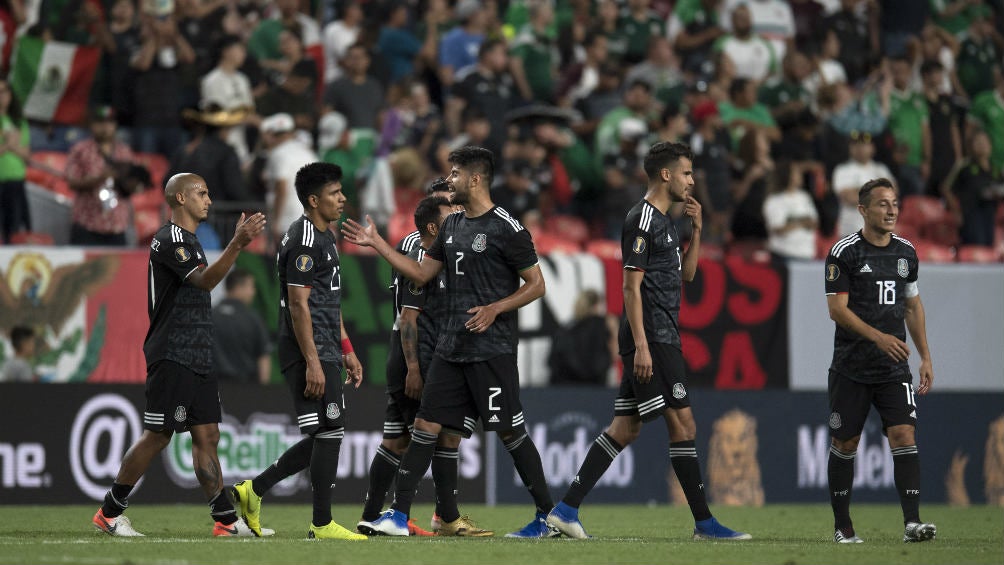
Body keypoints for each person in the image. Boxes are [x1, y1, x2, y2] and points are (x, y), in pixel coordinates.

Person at [341, 146, 558, 538]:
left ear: (475, 179)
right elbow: (421, 274)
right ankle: (397, 514)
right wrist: (378, 244)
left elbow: (537, 285)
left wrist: (496, 308)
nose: (449, 180)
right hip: (449, 349)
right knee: (425, 424)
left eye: (455, 173)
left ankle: (548, 515)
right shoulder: (453, 226)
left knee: (510, 431)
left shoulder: (506, 227)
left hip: (491, 350)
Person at [544, 141, 751, 541]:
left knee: (624, 428)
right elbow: (630, 287)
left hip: (661, 333)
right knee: (683, 423)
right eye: (687, 173)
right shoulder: (641, 219)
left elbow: (686, 277)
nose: (692, 180)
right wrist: (640, 345)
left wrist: (698, 230)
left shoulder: (667, 222)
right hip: (652, 337)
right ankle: (705, 525)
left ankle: (565, 511)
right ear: (666, 174)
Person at [91, 173, 266, 537]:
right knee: (159, 433)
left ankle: (225, 521)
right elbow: (203, 281)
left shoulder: (192, 241)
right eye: (202, 193)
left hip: (198, 352)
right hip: (172, 351)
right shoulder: (169, 238)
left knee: (208, 435)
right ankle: (110, 512)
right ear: (181, 199)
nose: (209, 200)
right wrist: (237, 243)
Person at [228, 162, 367, 540]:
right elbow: (298, 304)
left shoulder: (326, 236)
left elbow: (327, 301)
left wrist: (347, 350)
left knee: (324, 434)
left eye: (341, 191)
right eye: (335, 193)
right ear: (312, 199)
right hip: (308, 350)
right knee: (331, 432)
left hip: (324, 347)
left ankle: (253, 491)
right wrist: (313, 362)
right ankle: (321, 524)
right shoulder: (305, 239)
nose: (342, 198)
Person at [357, 194, 493, 538]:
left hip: (417, 353)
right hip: (416, 355)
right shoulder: (422, 250)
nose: (459, 212)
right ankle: (437, 516)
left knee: (397, 440)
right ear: (434, 219)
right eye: (452, 207)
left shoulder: (423, 245)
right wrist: (414, 367)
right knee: (438, 436)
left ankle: (376, 516)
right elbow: (408, 317)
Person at [823, 178, 937, 544]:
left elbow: (912, 305)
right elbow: (837, 311)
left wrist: (925, 356)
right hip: (851, 368)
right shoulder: (845, 252)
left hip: (893, 368)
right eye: (882, 204)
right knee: (845, 445)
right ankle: (843, 527)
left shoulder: (906, 253)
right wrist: (879, 337)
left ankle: (912, 524)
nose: (891, 211)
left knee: (904, 434)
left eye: (894, 204)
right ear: (863, 210)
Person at [65, 106, 136, 246]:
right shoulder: (80, 150)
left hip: (117, 225)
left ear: (115, 126)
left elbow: (131, 185)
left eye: (109, 123)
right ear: (92, 125)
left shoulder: (124, 152)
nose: (105, 127)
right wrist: (100, 178)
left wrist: (132, 183)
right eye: (100, 123)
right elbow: (72, 182)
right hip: (87, 224)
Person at [212, 267, 271, 385]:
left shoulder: (210, 315)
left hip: (214, 388)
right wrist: (264, 392)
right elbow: (263, 357)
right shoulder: (253, 318)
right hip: (247, 390)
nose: (253, 292)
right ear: (239, 287)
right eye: (251, 287)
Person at [548, 289, 616, 386]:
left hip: (563, 388)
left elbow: (552, 361)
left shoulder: (564, 328)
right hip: (595, 389)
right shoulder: (603, 324)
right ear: (596, 305)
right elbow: (610, 354)